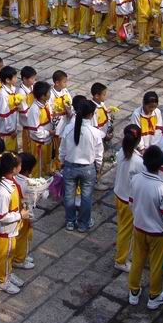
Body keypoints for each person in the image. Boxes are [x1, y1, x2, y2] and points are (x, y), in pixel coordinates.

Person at [127, 145, 163, 310]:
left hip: (139, 228)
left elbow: (131, 203)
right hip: (157, 234)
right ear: (161, 165)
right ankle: (154, 295)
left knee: (137, 260)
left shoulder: (135, 180)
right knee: (156, 265)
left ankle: (133, 292)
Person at [59, 99, 103, 233]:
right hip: (88, 169)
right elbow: (98, 154)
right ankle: (84, 223)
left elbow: (62, 149)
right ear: (91, 115)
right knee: (86, 197)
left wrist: (62, 162)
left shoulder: (68, 128)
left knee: (69, 195)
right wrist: (99, 168)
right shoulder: (95, 132)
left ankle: (70, 221)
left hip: (70, 166)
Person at [0, 151, 27, 295]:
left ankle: (8, 273)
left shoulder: (10, 184)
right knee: (4, 255)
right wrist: (19, 215)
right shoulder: (3, 192)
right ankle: (2, 281)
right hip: (4, 230)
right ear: (13, 169)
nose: (20, 166)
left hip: (11, 229)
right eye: (19, 164)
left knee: (9, 254)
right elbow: (0, 215)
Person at [113, 124, 144, 271]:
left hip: (119, 194)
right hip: (128, 200)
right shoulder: (138, 162)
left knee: (122, 228)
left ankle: (124, 254)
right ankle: (121, 260)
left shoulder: (121, 153)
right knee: (126, 232)